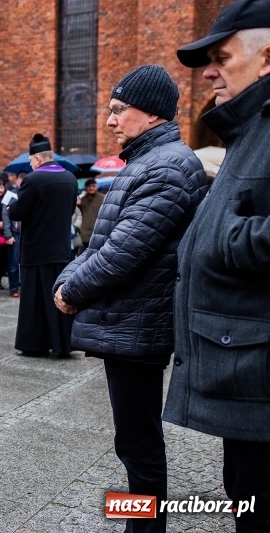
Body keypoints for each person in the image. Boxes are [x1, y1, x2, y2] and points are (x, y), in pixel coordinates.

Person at [53, 65, 207, 533]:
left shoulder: (167, 166)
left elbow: (122, 253)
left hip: (139, 322)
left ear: (153, 114)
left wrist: (70, 290)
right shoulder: (149, 161)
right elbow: (101, 243)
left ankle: (144, 528)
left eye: (119, 111)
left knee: (138, 445)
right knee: (134, 441)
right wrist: (67, 277)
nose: (110, 121)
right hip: (130, 320)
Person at [165, 2, 270, 531]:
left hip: (258, 377)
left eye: (222, 57)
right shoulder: (248, 129)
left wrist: (220, 238)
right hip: (246, 377)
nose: (208, 71)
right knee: (244, 497)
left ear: (267, 57)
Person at [8, 133, 77, 358]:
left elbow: (18, 211)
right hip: (60, 248)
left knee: (34, 301)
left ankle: (34, 344)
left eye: (30, 162)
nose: (30, 165)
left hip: (36, 249)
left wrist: (12, 206)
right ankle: (62, 343)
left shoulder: (33, 179)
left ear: (37, 159)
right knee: (58, 296)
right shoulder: (70, 178)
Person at [77, 178, 105, 252]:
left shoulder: (103, 198)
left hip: (97, 231)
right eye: (89, 186)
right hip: (83, 232)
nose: (91, 188)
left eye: (93, 186)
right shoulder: (82, 199)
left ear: (97, 186)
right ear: (86, 187)